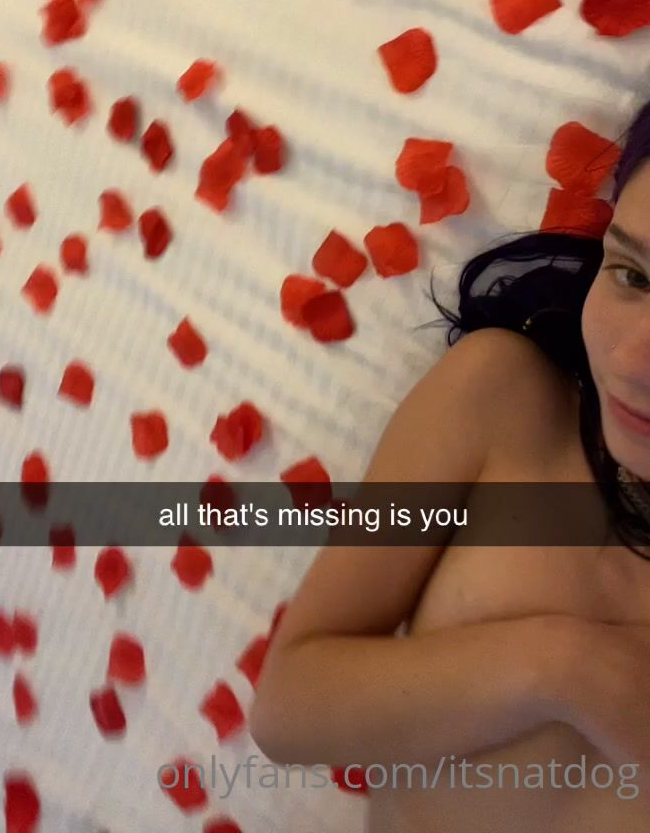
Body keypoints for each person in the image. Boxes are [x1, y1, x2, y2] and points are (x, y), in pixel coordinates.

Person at [249, 95, 650, 832]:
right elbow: (287, 708)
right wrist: (568, 667)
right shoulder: (501, 399)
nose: (632, 360)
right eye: (632, 275)